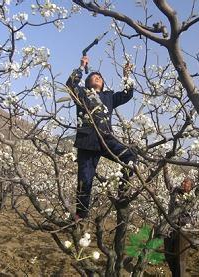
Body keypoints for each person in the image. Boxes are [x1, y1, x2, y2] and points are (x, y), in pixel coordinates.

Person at [66, 56, 136, 219]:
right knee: (85, 181)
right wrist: (81, 67)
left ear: (103, 83)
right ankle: (81, 216)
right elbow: (70, 85)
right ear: (88, 82)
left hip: (107, 139)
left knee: (130, 156)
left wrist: (126, 75)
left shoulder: (109, 97)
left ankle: (122, 192)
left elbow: (127, 94)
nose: (97, 78)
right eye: (93, 77)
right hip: (87, 142)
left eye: (99, 77)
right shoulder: (82, 94)